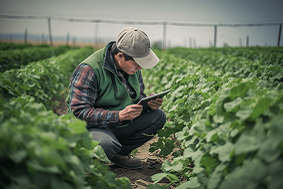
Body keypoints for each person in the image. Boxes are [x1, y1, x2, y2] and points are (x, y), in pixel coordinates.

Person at [66, 27, 166, 169]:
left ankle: (118, 155)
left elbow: (137, 97)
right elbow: (80, 112)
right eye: (137, 64)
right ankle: (89, 159)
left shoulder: (132, 69)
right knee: (106, 144)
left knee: (158, 117)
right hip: (91, 126)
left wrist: (147, 104)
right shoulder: (89, 70)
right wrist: (118, 115)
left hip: (117, 122)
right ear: (120, 56)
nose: (140, 69)